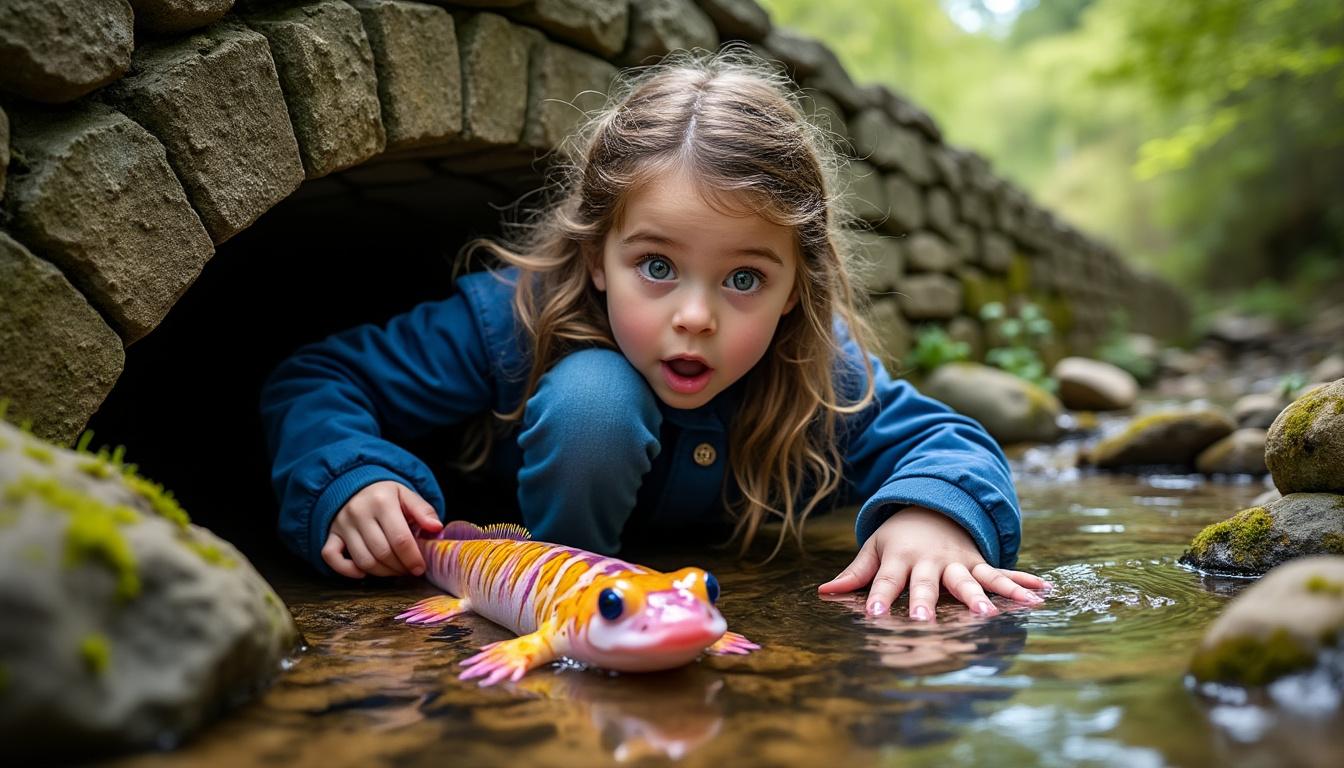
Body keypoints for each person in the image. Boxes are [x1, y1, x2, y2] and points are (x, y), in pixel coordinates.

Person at [259, 47, 1048, 621]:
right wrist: (353, 478)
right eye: (657, 267)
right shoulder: (508, 320)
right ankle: (566, 605)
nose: (696, 317)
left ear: (791, 292)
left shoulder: (817, 369)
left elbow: (945, 437)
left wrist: (933, 515)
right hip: (506, 564)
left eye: (744, 279)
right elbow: (322, 379)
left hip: (671, 608)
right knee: (593, 400)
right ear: (597, 254)